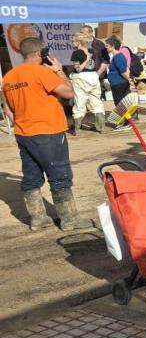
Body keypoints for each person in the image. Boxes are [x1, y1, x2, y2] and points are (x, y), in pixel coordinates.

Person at [3, 37, 90, 231]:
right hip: (49, 131)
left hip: (24, 133)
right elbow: (69, 93)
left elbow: (7, 110)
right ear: (38, 54)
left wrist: (21, 123)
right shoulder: (41, 72)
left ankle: (38, 219)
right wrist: (59, 70)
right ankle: (69, 219)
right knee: (60, 175)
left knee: (31, 176)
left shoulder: (9, 76)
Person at [69, 32, 106, 135]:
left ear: (78, 42)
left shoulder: (76, 53)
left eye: (73, 40)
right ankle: (101, 127)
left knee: (79, 103)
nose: (71, 42)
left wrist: (86, 60)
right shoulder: (91, 51)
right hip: (93, 77)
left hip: (81, 79)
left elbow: (78, 69)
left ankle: (77, 129)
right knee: (96, 102)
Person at [105, 36, 131, 111]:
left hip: (119, 84)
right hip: (118, 83)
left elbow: (123, 71)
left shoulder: (117, 57)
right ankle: (126, 120)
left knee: (120, 103)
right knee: (121, 103)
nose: (106, 47)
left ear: (112, 46)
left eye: (107, 45)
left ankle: (126, 121)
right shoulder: (117, 56)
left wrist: (129, 79)